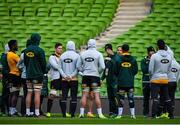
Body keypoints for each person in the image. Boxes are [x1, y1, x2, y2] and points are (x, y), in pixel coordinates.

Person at [77, 39, 106, 119]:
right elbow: (103, 67)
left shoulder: (83, 54)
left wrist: (85, 70)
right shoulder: (98, 54)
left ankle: (81, 113)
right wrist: (97, 71)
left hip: (85, 76)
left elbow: (78, 66)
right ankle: (100, 114)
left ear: (88, 44)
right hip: (95, 76)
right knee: (96, 95)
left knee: (84, 95)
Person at [149, 39, 173, 119]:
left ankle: (153, 115)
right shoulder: (169, 56)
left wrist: (151, 77)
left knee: (155, 98)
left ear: (157, 46)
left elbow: (150, 69)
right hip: (165, 79)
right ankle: (171, 115)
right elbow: (169, 69)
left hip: (155, 79)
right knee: (167, 98)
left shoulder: (154, 56)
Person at [24, 33, 46, 117]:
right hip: (38, 75)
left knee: (29, 93)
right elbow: (43, 64)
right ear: (38, 40)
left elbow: (26, 63)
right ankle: (37, 112)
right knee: (37, 93)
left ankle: (27, 112)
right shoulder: (40, 50)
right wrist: (43, 71)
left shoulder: (26, 50)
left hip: (29, 74)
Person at [115, 44, 138, 119]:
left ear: (123, 50)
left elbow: (116, 71)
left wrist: (120, 75)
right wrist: (130, 75)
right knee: (131, 98)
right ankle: (133, 115)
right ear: (128, 49)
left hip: (121, 82)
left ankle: (119, 115)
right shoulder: (133, 59)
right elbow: (135, 71)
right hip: (130, 82)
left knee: (121, 99)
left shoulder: (118, 59)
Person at [59, 41, 80, 118]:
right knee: (73, 97)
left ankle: (64, 114)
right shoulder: (77, 56)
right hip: (74, 79)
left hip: (64, 80)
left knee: (64, 96)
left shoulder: (62, 56)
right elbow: (78, 68)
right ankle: (72, 114)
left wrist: (65, 76)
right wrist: (71, 76)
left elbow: (59, 68)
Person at [17, 39, 35, 116]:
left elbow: (18, 65)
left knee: (26, 94)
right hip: (32, 76)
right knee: (32, 93)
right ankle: (31, 111)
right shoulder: (35, 52)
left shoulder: (23, 53)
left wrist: (23, 69)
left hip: (24, 76)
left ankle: (24, 111)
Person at [46, 43, 63, 117]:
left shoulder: (62, 57)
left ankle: (64, 112)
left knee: (62, 96)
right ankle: (48, 112)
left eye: (61, 48)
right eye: (59, 48)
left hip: (62, 78)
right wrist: (62, 66)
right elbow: (55, 67)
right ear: (55, 49)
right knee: (52, 95)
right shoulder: (52, 57)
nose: (61, 49)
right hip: (55, 78)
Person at [101, 43, 118, 118]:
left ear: (110, 49)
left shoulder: (116, 57)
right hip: (109, 81)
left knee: (115, 97)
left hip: (115, 81)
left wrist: (111, 60)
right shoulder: (107, 59)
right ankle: (111, 112)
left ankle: (117, 112)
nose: (107, 51)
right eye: (106, 50)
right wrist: (102, 79)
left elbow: (117, 68)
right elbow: (106, 70)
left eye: (108, 49)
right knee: (110, 97)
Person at [7, 40, 21, 116]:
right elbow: (21, 63)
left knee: (12, 93)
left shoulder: (8, 54)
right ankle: (12, 109)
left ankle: (11, 109)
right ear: (12, 46)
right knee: (15, 93)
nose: (17, 46)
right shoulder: (13, 55)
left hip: (11, 75)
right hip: (15, 75)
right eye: (16, 44)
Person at [141, 46, 155, 117]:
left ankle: (154, 113)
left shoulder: (156, 59)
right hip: (146, 81)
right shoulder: (144, 60)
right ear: (148, 52)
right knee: (146, 98)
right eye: (150, 51)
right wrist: (150, 63)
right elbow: (144, 70)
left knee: (154, 98)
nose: (152, 53)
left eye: (153, 51)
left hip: (154, 81)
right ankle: (145, 113)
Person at [0, 44, 10, 116]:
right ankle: (3, 110)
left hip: (7, 77)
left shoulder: (4, 56)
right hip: (6, 78)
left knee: (7, 94)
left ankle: (7, 110)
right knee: (5, 94)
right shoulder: (4, 57)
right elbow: (3, 69)